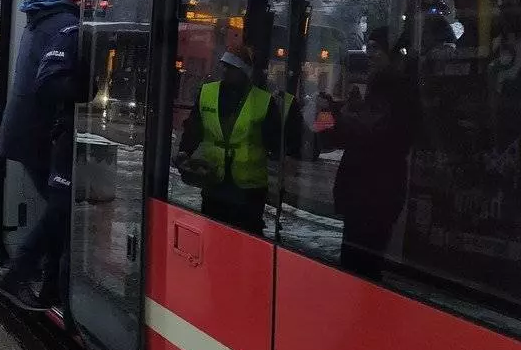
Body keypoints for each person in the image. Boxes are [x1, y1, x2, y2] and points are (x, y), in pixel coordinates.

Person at [0, 0, 82, 310]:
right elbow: (50, 82)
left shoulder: (42, 21)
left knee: (62, 210)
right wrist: (89, 88)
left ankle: (50, 287)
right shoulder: (67, 25)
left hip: (24, 132)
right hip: (39, 133)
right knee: (63, 209)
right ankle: (16, 275)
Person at [320, 28, 418, 280]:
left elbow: (370, 132)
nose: (370, 54)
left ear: (392, 55)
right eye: (369, 48)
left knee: (361, 267)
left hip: (374, 195)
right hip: (366, 194)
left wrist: (340, 116)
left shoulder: (393, 89)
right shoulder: (379, 88)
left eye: (376, 48)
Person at [175, 45, 299, 235]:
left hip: (249, 189)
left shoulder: (264, 101)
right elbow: (194, 128)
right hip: (214, 182)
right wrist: (185, 151)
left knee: (246, 239)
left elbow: (275, 142)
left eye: (231, 68)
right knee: (213, 236)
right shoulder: (207, 92)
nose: (225, 71)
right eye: (224, 66)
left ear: (244, 72)